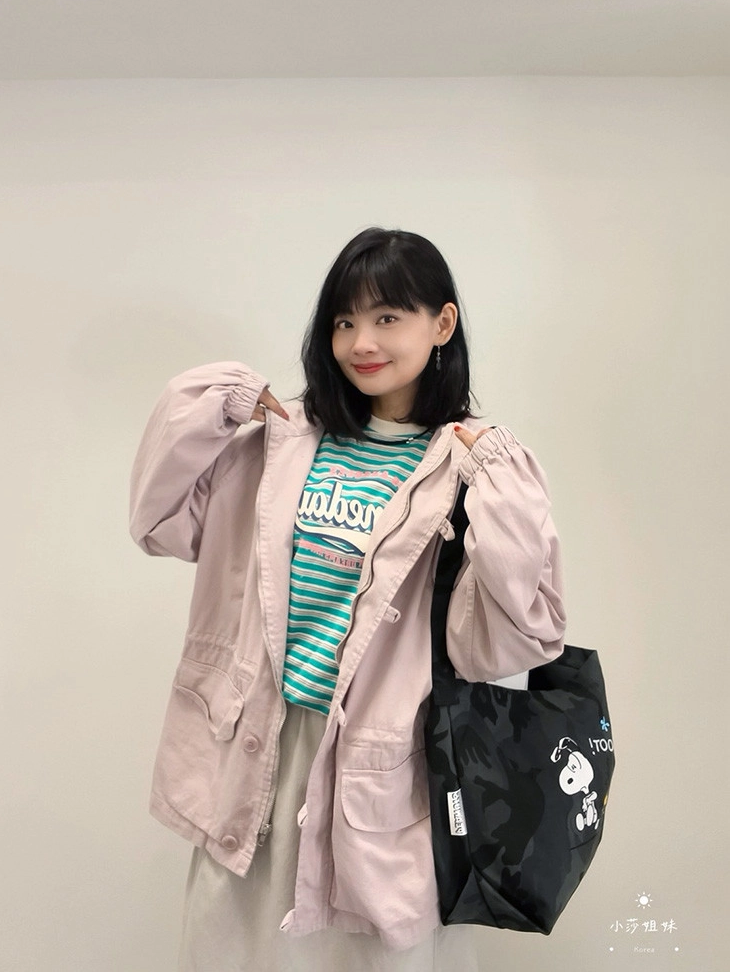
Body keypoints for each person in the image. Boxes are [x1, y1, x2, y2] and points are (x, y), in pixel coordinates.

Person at [129, 227, 566, 971]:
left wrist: (496, 482)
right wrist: (212, 404)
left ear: (442, 324)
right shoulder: (280, 441)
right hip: (259, 750)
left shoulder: (467, 465)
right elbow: (160, 522)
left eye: (388, 316)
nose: (362, 342)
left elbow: (515, 637)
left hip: (379, 768)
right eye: (344, 320)